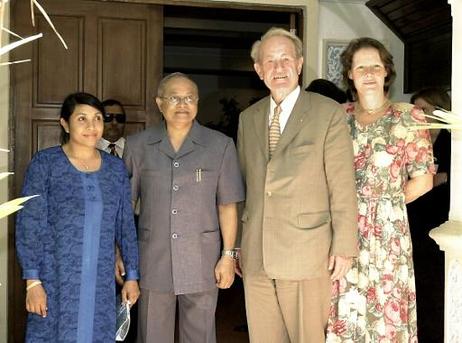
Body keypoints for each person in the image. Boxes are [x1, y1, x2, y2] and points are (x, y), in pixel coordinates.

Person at [236, 27, 358, 343]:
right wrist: (237, 243)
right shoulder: (248, 118)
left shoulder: (326, 112)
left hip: (307, 250)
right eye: (270, 61)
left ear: (300, 64)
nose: (279, 68)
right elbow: (243, 185)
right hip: (257, 252)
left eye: (286, 59)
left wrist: (344, 246)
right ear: (259, 70)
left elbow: (342, 183)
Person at [123, 72, 245, 343]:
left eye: (189, 98)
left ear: (198, 102)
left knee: (200, 336)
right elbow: (126, 206)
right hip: (153, 257)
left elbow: (227, 205)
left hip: (202, 259)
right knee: (152, 335)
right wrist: (121, 251)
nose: (183, 104)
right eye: (174, 98)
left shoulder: (220, 145)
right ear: (159, 103)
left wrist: (228, 255)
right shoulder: (138, 145)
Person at [326, 37, 434, 342]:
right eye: (361, 67)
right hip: (343, 229)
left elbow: (424, 180)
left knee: (387, 311)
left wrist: (383, 206)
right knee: (345, 308)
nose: (369, 73)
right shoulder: (338, 116)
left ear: (386, 71)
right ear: (350, 74)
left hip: (388, 234)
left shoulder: (409, 116)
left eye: (376, 66)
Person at [15, 92, 140, 342]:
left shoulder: (115, 170)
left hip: (100, 282)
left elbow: (125, 225)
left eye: (97, 118)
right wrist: (32, 281)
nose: (92, 126)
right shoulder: (45, 164)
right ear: (65, 123)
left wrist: (133, 277)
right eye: (82, 118)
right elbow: (30, 225)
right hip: (55, 278)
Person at [407, 87, 451, 342]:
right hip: (414, 227)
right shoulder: (412, 142)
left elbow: (450, 180)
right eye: (416, 110)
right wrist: (435, 180)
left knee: (439, 294)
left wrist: (434, 180)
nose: (418, 115)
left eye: (423, 109)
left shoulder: (452, 142)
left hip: (442, 228)